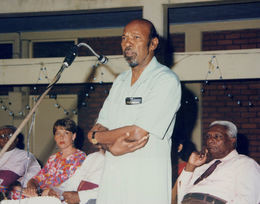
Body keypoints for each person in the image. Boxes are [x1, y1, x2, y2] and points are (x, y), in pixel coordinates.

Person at [87, 19, 181, 204]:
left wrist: (99, 138)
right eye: (124, 38)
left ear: (153, 43)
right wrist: (107, 144)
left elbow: (138, 132)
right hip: (113, 179)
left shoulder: (165, 80)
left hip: (144, 182)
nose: (127, 43)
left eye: (136, 37)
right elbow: (95, 129)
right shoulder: (120, 81)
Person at [177, 120, 260, 204]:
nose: (210, 140)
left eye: (217, 136)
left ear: (232, 141)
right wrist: (190, 166)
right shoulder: (202, 168)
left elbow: (248, 200)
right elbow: (179, 195)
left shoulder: (245, 164)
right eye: (208, 136)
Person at [24, 118, 86, 198]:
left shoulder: (80, 157)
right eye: (58, 133)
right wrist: (31, 187)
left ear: (73, 136)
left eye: (66, 133)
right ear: (54, 137)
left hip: (62, 197)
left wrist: (44, 192)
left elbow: (71, 185)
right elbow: (36, 179)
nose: (61, 137)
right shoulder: (53, 158)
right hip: (44, 195)